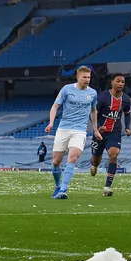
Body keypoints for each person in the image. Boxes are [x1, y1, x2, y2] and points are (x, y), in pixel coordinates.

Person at [45, 66, 98, 199]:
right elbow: (55, 106)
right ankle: (57, 186)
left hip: (79, 130)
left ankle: (63, 189)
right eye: (84, 77)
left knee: (72, 158)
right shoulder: (67, 89)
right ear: (77, 77)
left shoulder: (92, 93)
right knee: (56, 162)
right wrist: (51, 123)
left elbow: (93, 111)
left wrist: (96, 129)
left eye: (89, 77)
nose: (87, 80)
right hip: (63, 129)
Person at [88, 73, 131, 196]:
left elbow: (127, 113)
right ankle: (94, 165)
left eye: (122, 82)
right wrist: (96, 128)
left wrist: (127, 127)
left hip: (115, 132)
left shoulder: (126, 100)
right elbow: (93, 114)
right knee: (96, 160)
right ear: (112, 82)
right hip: (100, 133)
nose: (120, 84)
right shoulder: (102, 97)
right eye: (118, 81)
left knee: (113, 155)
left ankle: (107, 187)